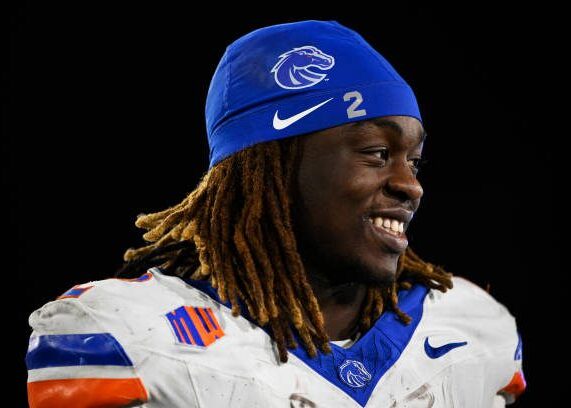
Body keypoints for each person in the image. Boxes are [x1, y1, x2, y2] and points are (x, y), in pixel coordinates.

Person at [25, 20, 526, 407]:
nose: (409, 185)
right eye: (376, 153)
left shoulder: (470, 325)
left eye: (413, 161)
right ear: (271, 168)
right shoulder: (123, 333)